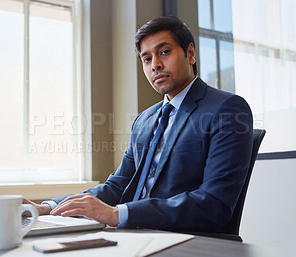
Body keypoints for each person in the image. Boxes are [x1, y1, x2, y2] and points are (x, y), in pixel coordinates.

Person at [24, 16, 253, 233]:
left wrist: (117, 214)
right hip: (132, 234)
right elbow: (116, 186)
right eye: (147, 58)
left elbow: (214, 204)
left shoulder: (227, 109)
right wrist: (48, 207)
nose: (155, 65)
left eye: (164, 52)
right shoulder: (145, 120)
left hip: (189, 241)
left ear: (190, 54)